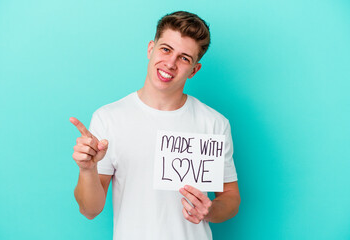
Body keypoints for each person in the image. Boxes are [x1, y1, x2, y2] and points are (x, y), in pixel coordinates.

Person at [70, 11, 240, 240]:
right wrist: (87, 170)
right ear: (151, 49)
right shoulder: (108, 118)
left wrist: (210, 210)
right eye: (166, 49)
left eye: (184, 58)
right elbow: (90, 210)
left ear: (194, 70)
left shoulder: (214, 123)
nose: (170, 63)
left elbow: (230, 197)